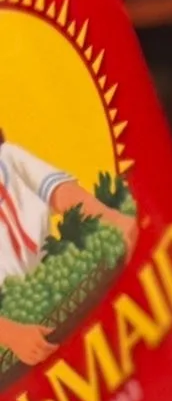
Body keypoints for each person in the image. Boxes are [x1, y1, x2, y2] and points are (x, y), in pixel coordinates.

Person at [0, 131, 138, 365]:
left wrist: (113, 220)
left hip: (51, 274)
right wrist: (10, 334)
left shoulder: (10, 159)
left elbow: (61, 193)